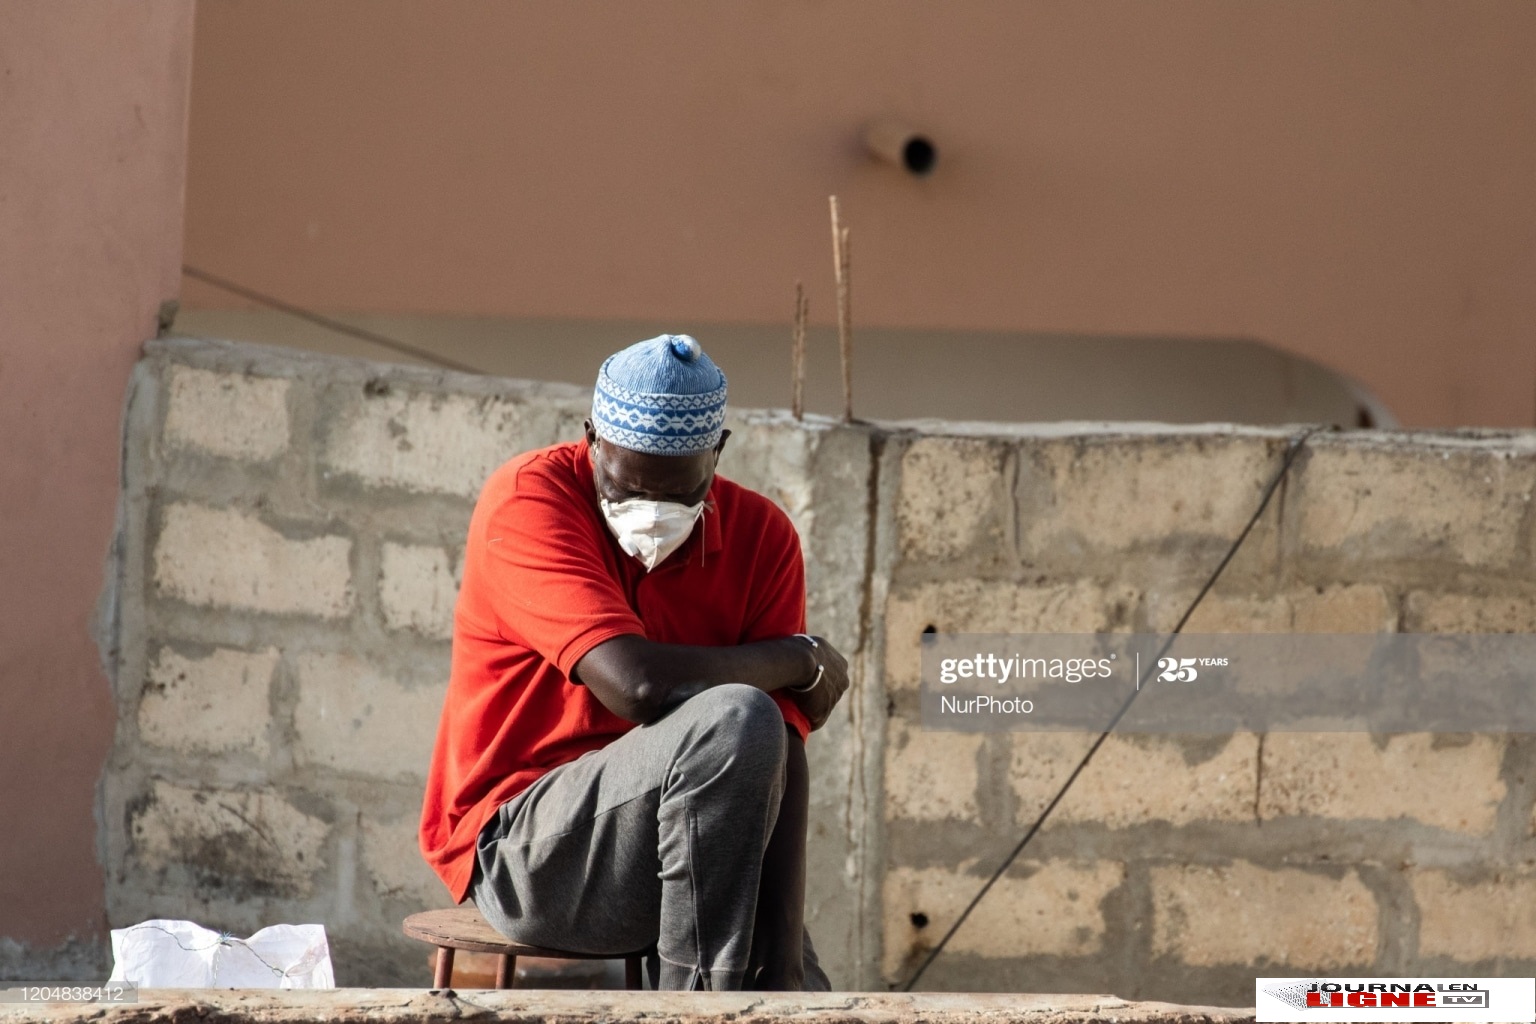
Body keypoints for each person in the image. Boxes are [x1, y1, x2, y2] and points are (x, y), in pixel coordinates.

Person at [419, 333, 851, 991]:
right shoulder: (530, 499)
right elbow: (638, 685)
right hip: (524, 848)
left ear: (718, 454)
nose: (650, 515)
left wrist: (785, 958)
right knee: (734, 715)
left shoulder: (764, 538)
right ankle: (695, 1008)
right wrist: (792, 658)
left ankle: (718, 992)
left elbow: (780, 752)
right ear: (591, 439)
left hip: (692, 842)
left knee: (797, 996)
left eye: (677, 495)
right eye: (623, 488)